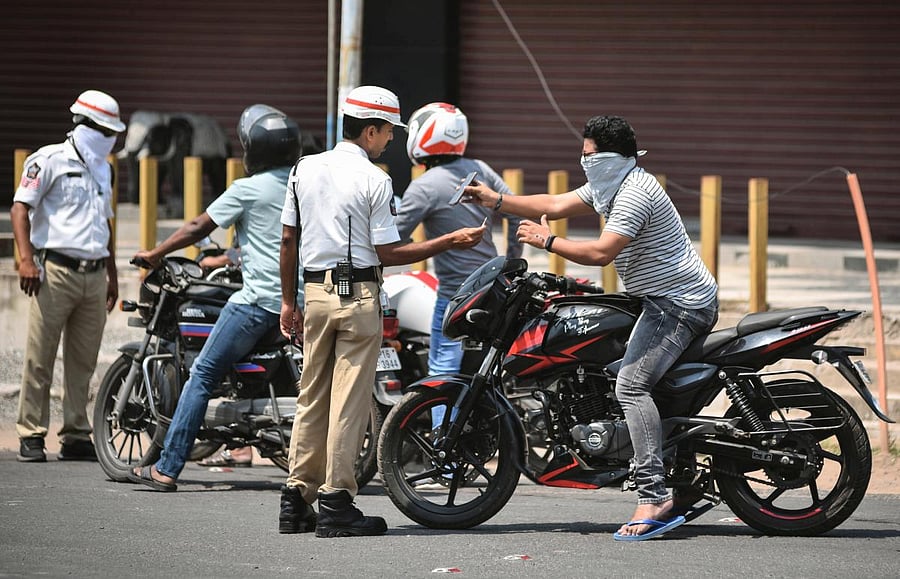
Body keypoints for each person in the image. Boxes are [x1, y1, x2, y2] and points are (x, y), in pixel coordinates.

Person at [461, 115, 718, 541]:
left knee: (631, 387)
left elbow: (602, 252)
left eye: (589, 155)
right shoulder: (609, 185)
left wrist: (547, 243)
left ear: (614, 157)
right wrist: (495, 200)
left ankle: (653, 496)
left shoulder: (635, 192)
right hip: (655, 299)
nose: (584, 163)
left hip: (678, 304)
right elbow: (556, 204)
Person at [278, 86, 486, 538]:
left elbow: (288, 240)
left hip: (313, 294)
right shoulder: (375, 179)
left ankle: (295, 499)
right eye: (388, 130)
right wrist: (448, 241)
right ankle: (335, 502)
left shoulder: (304, 168)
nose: (391, 139)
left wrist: (288, 301)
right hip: (357, 300)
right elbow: (388, 252)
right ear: (370, 129)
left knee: (311, 397)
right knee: (350, 402)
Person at [127, 104, 303, 490]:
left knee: (202, 375)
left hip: (258, 303)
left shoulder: (247, 189)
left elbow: (197, 227)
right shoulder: (302, 184)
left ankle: (167, 468)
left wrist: (155, 253)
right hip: (303, 302)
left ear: (254, 150)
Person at [11, 90, 124, 463]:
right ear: (83, 124)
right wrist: (26, 260)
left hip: (93, 275)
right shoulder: (49, 160)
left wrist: (111, 275)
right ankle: (31, 432)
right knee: (39, 357)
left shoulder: (103, 167)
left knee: (83, 361)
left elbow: (103, 223)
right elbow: (20, 209)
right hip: (54, 271)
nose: (110, 137)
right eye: (104, 129)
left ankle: (76, 433)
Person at [394, 102, 522, 424]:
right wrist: (511, 261)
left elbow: (393, 239)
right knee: (487, 367)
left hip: (454, 296)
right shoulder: (480, 169)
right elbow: (515, 212)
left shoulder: (424, 186)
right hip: (495, 291)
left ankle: (444, 451)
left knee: (442, 372)